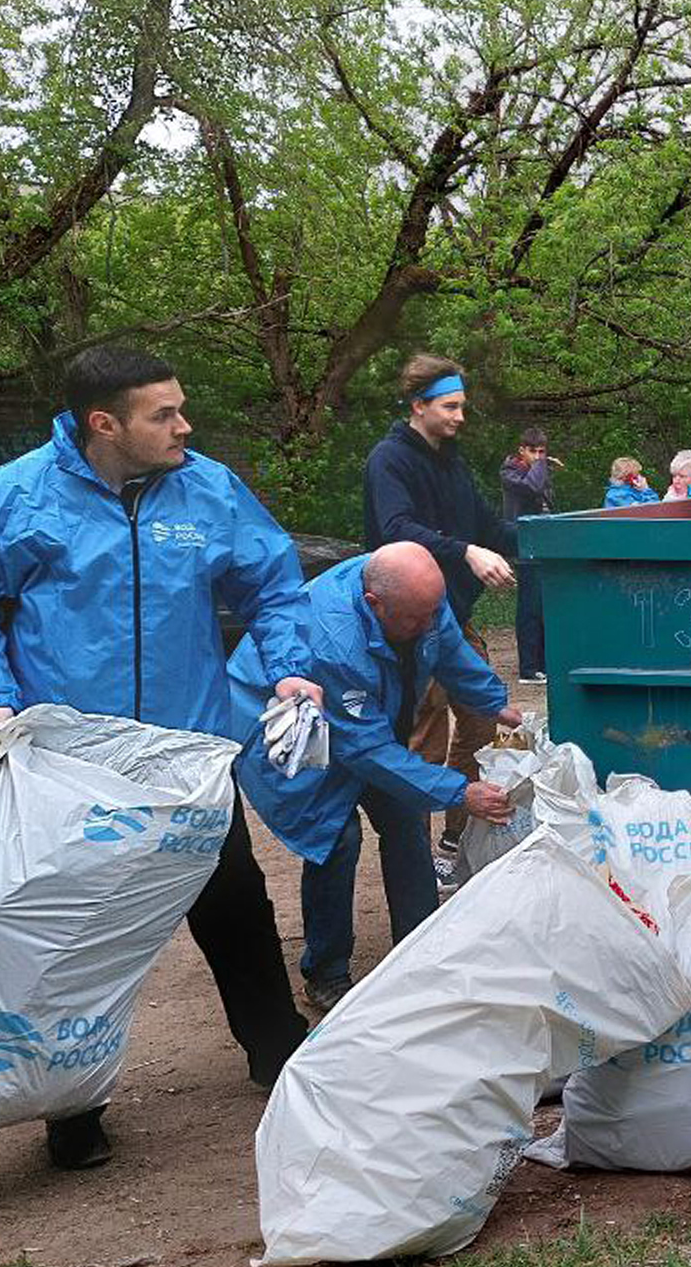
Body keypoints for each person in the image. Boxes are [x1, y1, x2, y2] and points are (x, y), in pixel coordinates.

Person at [0, 344, 317, 1169]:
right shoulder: (11, 501)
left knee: (234, 907)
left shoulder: (209, 488)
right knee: (73, 939)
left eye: (182, 408)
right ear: (103, 423)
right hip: (75, 769)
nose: (184, 425)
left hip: (188, 755)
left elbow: (273, 584)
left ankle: (281, 1056)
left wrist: (290, 665)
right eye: (165, 414)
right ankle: (70, 1104)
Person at [228, 542, 522, 1010]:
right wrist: (458, 791)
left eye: (433, 610)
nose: (427, 623)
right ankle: (326, 971)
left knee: (405, 816)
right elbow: (367, 752)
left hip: (356, 722)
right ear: (373, 604)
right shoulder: (332, 641)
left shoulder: (419, 597)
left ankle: (423, 947)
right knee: (335, 836)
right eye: (415, 618)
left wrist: (493, 701)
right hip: (288, 729)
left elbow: (447, 646)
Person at [362, 353, 515, 877]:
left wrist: (549, 538)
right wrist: (465, 552)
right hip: (408, 626)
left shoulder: (452, 461)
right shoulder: (389, 460)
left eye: (462, 407)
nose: (459, 417)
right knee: (421, 744)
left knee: (482, 723)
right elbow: (395, 527)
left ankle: (457, 842)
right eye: (450, 407)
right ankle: (415, 857)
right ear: (418, 405)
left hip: (455, 619)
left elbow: (490, 527)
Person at [500, 428, 560, 684]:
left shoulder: (539, 470)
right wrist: (543, 465)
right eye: (533, 451)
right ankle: (529, 667)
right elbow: (531, 487)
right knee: (530, 607)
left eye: (542, 451)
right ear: (521, 450)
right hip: (525, 545)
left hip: (545, 544)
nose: (538, 456)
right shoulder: (510, 473)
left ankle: (545, 663)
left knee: (546, 606)